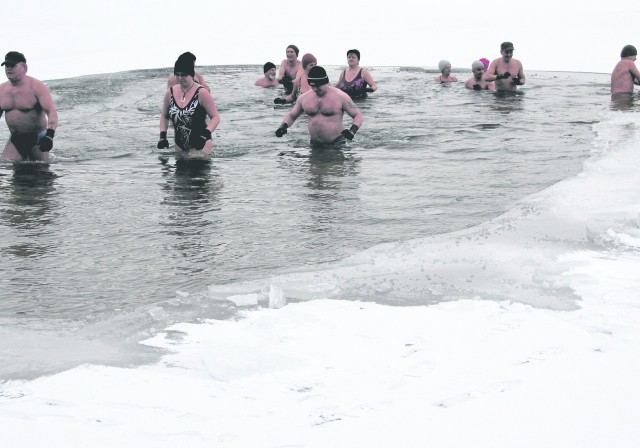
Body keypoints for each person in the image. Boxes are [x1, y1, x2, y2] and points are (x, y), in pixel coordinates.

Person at [274, 66, 363, 149]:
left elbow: (357, 115)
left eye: (318, 86)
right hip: (315, 144)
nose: (315, 89)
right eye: (312, 86)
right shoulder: (304, 98)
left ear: (326, 82)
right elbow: (291, 116)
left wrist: (352, 131)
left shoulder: (341, 96)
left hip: (337, 144)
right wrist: (283, 126)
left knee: (336, 166)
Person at [0, 51, 59, 161]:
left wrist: (49, 136)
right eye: (6, 65)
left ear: (24, 68)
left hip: (38, 138)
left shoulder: (37, 86)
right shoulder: (1, 90)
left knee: (42, 172)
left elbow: (51, 112)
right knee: (6, 167)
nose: (9, 68)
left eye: (13, 65)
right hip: (16, 139)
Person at [158, 55, 220, 157]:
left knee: (197, 167)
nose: (180, 78)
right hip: (179, 145)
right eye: (177, 74)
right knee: (180, 172)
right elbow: (164, 116)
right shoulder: (170, 92)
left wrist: (206, 134)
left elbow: (215, 117)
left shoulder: (201, 92)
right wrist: (163, 136)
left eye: (183, 75)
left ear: (191, 74)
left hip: (201, 143)